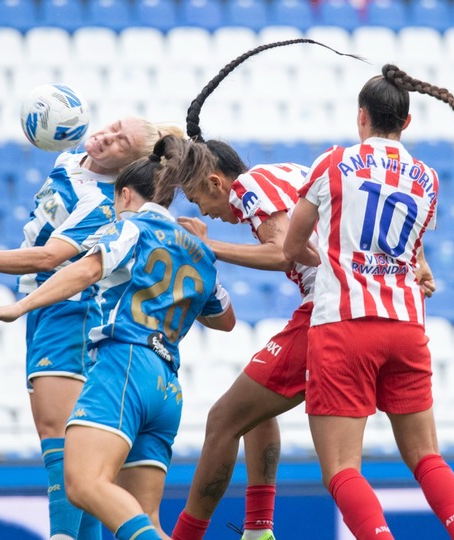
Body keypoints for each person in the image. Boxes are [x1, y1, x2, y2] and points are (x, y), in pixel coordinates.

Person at [166, 40, 407, 540]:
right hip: (351, 302)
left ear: (215, 182)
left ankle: (187, 535)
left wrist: (209, 249)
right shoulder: (279, 177)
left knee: (223, 419)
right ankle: (257, 530)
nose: (203, 212)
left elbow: (284, 253)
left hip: (332, 311)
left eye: (196, 199)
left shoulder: (249, 190)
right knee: (257, 406)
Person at [0, 134, 237, 540]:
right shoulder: (198, 250)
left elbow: (86, 270)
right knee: (143, 517)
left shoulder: (131, 226)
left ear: (125, 194)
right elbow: (225, 320)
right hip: (167, 386)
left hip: (124, 366)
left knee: (83, 484)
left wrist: (21, 306)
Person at [283, 64, 454, 540]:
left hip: (344, 325)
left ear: (361, 116)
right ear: (407, 122)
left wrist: (327, 262)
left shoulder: (332, 164)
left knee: (343, 469)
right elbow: (407, 242)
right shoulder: (428, 178)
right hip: (407, 326)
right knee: (427, 457)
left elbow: (291, 245)